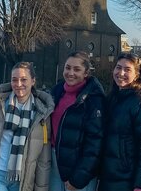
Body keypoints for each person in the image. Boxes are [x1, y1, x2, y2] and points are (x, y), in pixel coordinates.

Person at [98, 53, 141, 191]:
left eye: (127, 69)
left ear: (137, 75)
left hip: (131, 182)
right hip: (112, 179)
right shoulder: (113, 99)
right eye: (118, 67)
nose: (121, 73)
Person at [0, 62, 54, 191]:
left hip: (23, 178)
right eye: (14, 80)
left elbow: (44, 157)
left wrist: (41, 188)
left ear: (33, 81)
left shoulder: (42, 113)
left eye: (24, 79)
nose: (18, 84)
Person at [49, 51, 104, 191]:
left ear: (86, 73)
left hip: (79, 171)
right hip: (54, 165)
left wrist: (78, 179)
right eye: (67, 68)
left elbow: (95, 144)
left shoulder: (94, 99)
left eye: (77, 69)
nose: (70, 73)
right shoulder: (56, 92)